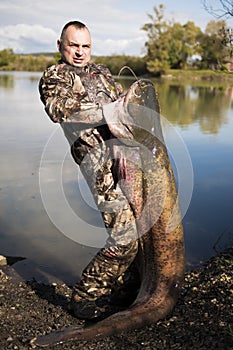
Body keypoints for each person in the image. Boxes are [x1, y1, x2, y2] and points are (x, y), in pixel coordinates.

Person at [39, 21, 139, 320]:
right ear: (60, 45)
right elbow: (59, 110)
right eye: (73, 45)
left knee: (139, 223)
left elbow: (126, 105)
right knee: (126, 233)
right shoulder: (55, 76)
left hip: (128, 157)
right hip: (97, 161)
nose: (80, 52)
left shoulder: (103, 73)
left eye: (85, 46)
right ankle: (85, 293)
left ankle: (125, 290)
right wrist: (110, 113)